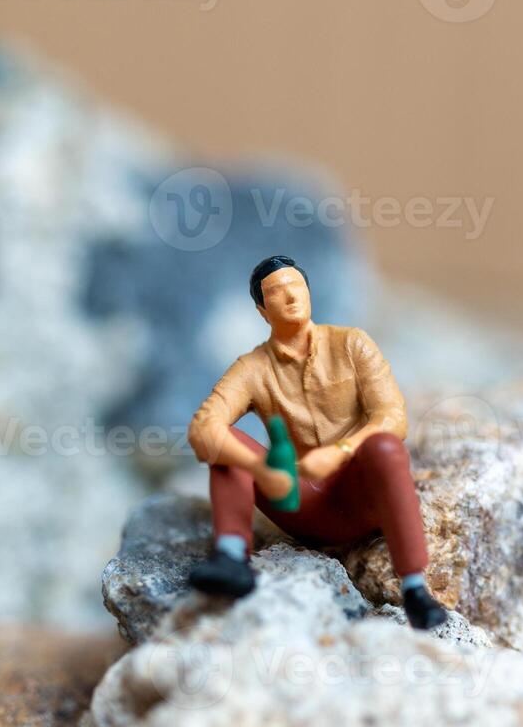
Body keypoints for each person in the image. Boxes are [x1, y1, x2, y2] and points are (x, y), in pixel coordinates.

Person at [185, 254, 447, 630]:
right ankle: (231, 559)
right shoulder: (253, 368)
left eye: (297, 288)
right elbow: (203, 427)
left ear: (309, 293)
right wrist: (261, 468)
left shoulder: (352, 345)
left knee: (386, 446)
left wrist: (340, 451)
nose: (290, 298)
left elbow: (392, 416)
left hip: (358, 496)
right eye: (277, 292)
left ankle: (415, 588)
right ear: (262, 309)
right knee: (224, 442)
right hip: (299, 500)